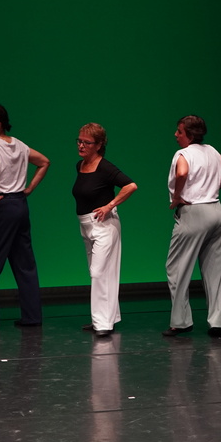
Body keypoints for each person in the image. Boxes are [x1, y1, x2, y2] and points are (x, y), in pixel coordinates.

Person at [0, 104, 50, 331]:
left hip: (3, 207)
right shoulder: (20, 145)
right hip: (20, 206)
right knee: (24, 264)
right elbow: (44, 162)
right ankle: (32, 316)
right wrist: (29, 189)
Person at [164, 115, 221, 337]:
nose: (176, 135)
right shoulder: (212, 151)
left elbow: (182, 172)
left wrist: (177, 196)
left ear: (189, 135)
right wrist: (211, 188)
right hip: (216, 211)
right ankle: (218, 322)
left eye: (179, 131)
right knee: (215, 270)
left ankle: (181, 321)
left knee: (177, 268)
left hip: (194, 214)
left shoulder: (183, 154)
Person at [72, 123, 138, 338]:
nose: (81, 145)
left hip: (105, 226)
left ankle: (103, 324)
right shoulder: (80, 165)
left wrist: (110, 205)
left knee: (99, 273)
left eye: (86, 142)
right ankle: (105, 319)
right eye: (79, 141)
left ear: (99, 145)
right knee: (100, 273)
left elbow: (130, 185)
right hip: (86, 225)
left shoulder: (105, 168)